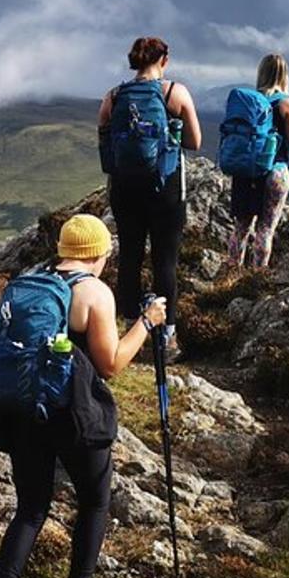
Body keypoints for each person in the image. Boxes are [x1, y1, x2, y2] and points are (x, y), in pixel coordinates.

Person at [0, 214, 168, 578]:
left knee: (30, 507)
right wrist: (148, 322)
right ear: (99, 253)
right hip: (73, 414)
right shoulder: (94, 293)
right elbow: (112, 364)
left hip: (26, 409)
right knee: (95, 500)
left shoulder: (30, 281)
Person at [98, 36, 200, 360]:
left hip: (125, 189)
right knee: (164, 260)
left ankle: (131, 328)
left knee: (130, 256)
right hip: (166, 188)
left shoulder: (113, 97)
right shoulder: (174, 93)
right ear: (164, 60)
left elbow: (105, 141)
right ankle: (167, 337)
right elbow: (195, 142)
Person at [227, 53, 289, 268]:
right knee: (265, 229)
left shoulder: (249, 103)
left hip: (245, 170)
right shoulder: (287, 103)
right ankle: (258, 276)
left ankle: (231, 273)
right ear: (284, 75)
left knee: (241, 227)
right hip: (275, 171)